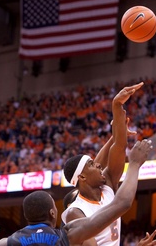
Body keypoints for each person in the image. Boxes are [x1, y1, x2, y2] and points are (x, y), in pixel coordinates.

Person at [0, 139, 156, 246]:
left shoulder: (9, 241)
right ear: (53, 213)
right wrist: (134, 163)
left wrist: (115, 135)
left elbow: (94, 167)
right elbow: (123, 203)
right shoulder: (68, 234)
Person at [62, 82, 144, 246]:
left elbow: (120, 146)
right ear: (82, 176)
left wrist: (117, 106)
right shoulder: (75, 212)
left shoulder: (107, 186)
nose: (99, 165)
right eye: (92, 164)